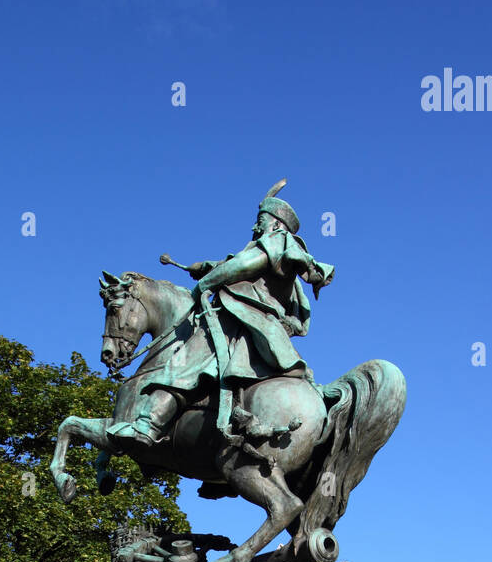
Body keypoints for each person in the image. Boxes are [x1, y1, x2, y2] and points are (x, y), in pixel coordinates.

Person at [112, 180, 334, 447]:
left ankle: (149, 425)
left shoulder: (278, 241)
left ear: (276, 224)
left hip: (245, 321)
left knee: (189, 359)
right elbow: (232, 265)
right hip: (263, 329)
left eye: (261, 220)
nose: (256, 226)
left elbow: (242, 266)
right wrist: (205, 267)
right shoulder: (277, 250)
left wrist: (204, 284)